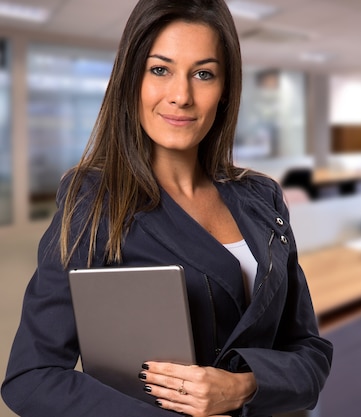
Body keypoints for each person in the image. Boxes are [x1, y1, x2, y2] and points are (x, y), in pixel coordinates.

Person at [1, 0, 333, 416]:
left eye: (204, 74)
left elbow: (309, 353)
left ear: (225, 88)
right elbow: (32, 377)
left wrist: (245, 386)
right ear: (131, 78)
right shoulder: (95, 200)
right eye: (160, 69)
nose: (181, 96)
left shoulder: (261, 196)